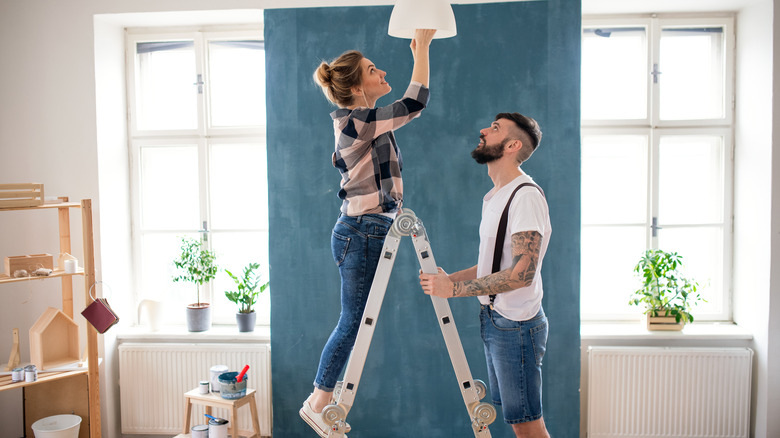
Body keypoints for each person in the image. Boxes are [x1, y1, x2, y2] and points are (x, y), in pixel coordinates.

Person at [300, 28, 436, 438]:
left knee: (358, 319)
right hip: (361, 231)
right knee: (353, 320)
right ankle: (318, 401)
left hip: (371, 229)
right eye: (373, 70)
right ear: (358, 87)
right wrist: (423, 49)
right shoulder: (355, 122)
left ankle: (324, 395)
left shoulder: (368, 123)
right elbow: (415, 102)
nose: (382, 72)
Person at [419, 113, 552, 438]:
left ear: (512, 145)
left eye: (494, 129)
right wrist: (450, 279)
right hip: (495, 320)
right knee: (518, 422)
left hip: (516, 326)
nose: (483, 130)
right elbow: (494, 264)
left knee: (528, 427)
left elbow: (522, 274)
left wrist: (455, 289)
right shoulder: (497, 196)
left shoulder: (525, 196)